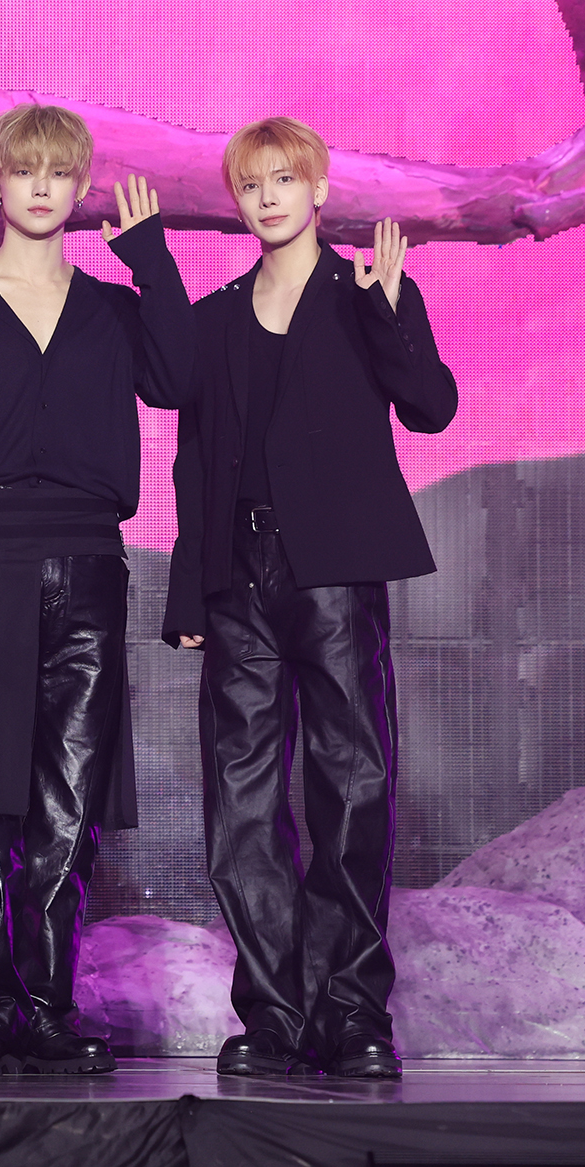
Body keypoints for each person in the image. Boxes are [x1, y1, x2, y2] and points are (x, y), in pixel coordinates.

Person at [157, 116, 458, 1080]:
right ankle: (274, 1014)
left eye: (285, 179)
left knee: (351, 785)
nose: (269, 198)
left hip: (332, 568)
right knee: (240, 801)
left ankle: (352, 1009)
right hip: (237, 579)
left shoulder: (363, 292)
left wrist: (393, 309)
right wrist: (191, 593)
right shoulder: (214, 317)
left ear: (319, 189)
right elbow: (195, 459)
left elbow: (432, 407)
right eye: (252, 185)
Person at [0, 104, 195, 1077]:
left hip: (89, 560)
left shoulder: (110, 307)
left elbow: (178, 376)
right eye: (22, 169)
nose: (39, 186)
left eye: (58, 172)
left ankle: (48, 1005)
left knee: (68, 799)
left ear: (79, 187)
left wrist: (150, 259)